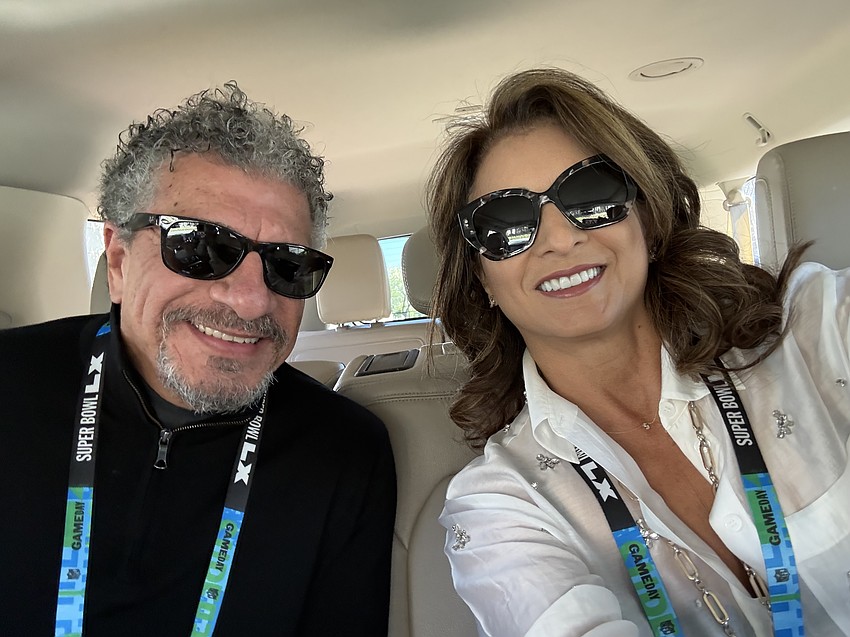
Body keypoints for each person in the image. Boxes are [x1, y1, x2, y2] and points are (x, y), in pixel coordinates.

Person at [429, 68, 849, 636]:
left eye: (589, 194)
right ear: (481, 278)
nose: (560, 238)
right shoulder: (499, 505)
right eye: (505, 222)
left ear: (646, 219)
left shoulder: (812, 325)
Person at [0, 83, 395, 636]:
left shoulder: (344, 451)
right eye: (202, 248)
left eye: (288, 265)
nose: (251, 299)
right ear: (118, 260)